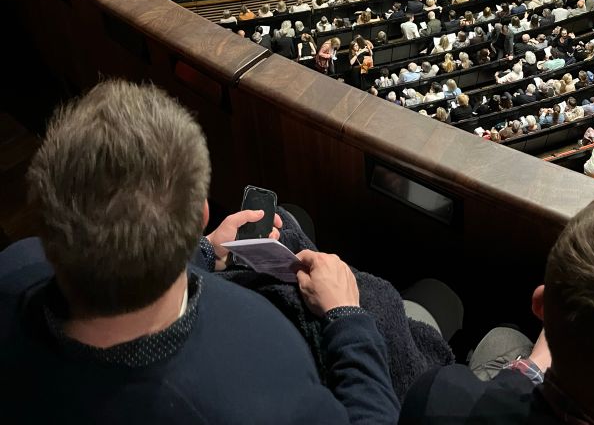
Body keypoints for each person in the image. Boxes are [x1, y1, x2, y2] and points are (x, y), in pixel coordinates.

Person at [0, 80, 400, 425]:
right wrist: (347, 317)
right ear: (202, 214)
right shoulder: (266, 362)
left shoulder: (16, 265)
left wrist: (203, 251)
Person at [400, 190, 594, 425]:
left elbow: (508, 395)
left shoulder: (441, 399)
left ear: (539, 305)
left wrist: (531, 367)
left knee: (503, 338)